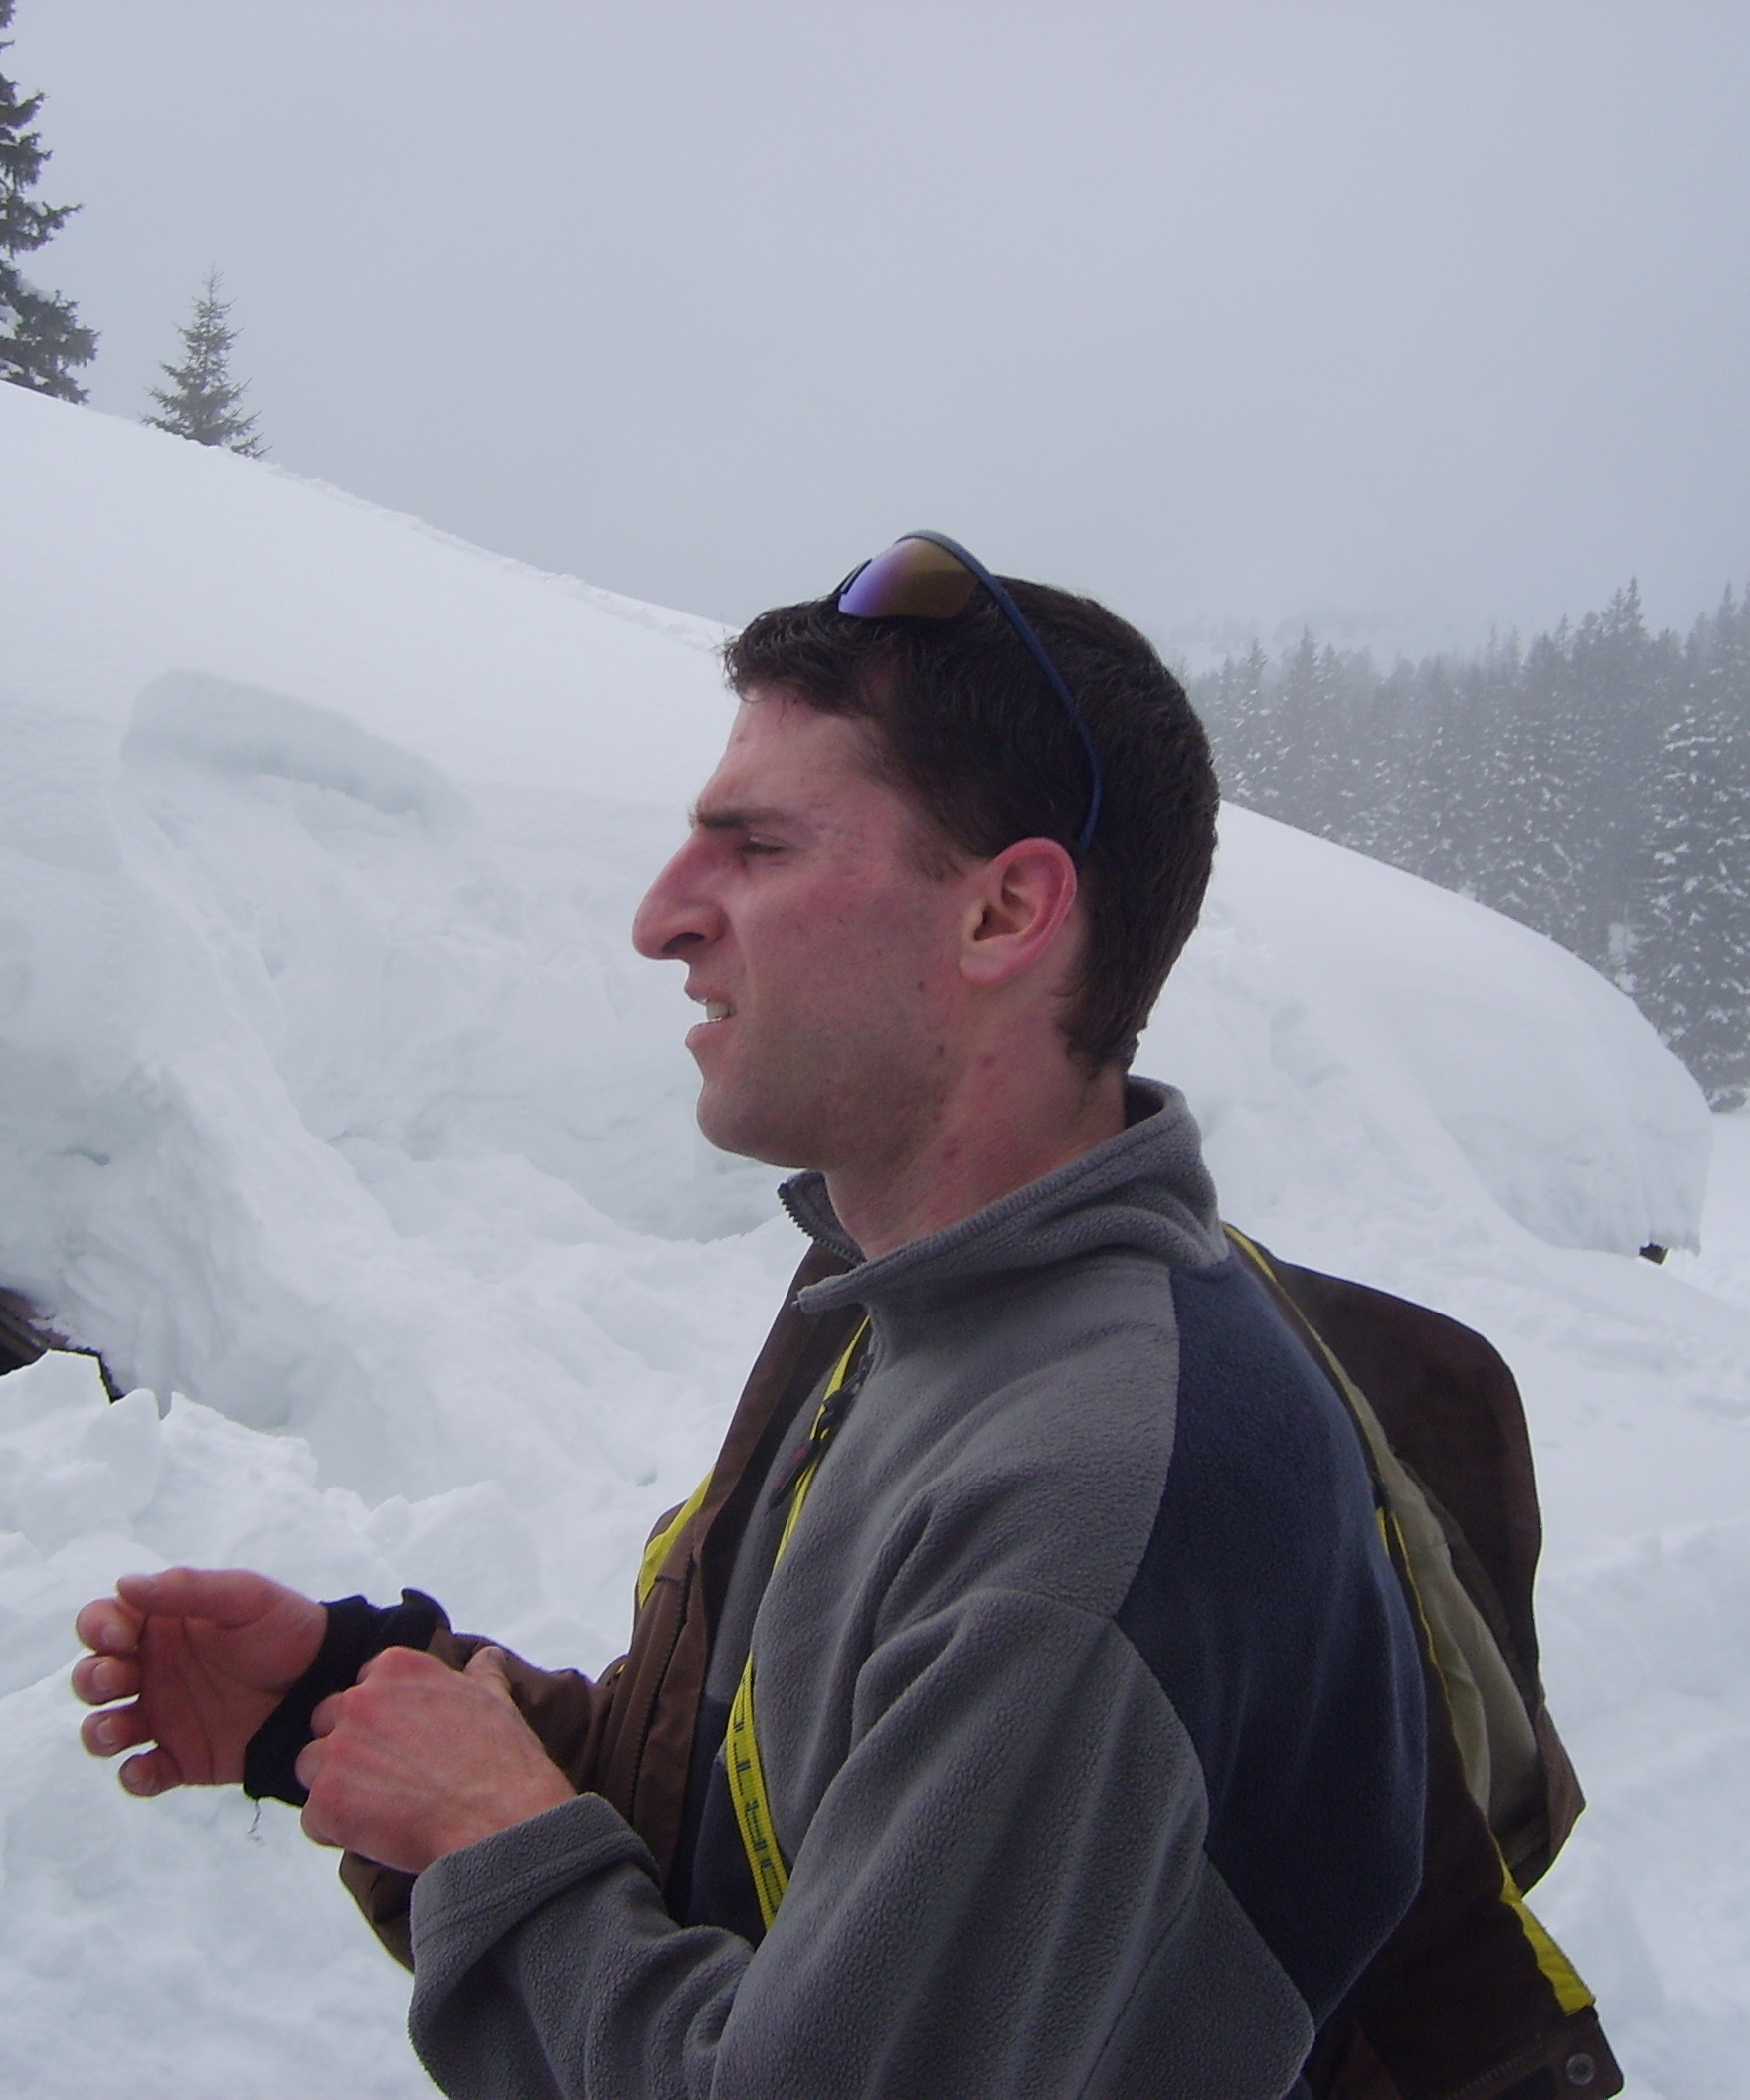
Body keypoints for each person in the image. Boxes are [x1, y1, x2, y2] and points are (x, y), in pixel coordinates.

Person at [74, 535, 1435, 2098]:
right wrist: (357, 1703)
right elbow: (765, 1852)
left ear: (1004, 914)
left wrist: (489, 1833)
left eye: (758, 847)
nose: (661, 916)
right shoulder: (901, 1297)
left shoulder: (1086, 1496)